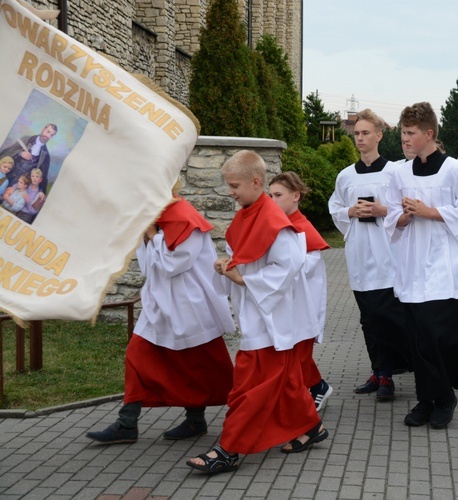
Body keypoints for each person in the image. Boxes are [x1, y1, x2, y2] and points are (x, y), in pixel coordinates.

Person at [188, 151, 327, 475]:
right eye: (228, 185)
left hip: (273, 321)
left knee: (251, 390)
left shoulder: (274, 220)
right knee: (288, 384)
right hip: (259, 315)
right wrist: (228, 265)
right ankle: (312, 428)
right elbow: (244, 255)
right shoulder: (248, 214)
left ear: (255, 182)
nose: (230, 191)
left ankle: (228, 449)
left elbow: (289, 265)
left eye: (234, 185)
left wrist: (244, 276)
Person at [384, 102, 458, 429]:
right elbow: (392, 215)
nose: (404, 139)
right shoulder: (400, 172)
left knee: (437, 335)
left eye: (410, 133)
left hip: (445, 263)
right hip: (413, 262)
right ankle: (427, 399)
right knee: (418, 336)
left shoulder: (453, 171)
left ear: (429, 134)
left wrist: (430, 211)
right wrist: (405, 216)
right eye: (403, 133)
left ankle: (445, 395)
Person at [86, 192, 236, 444]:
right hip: (159, 304)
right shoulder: (154, 218)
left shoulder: (186, 219)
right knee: (137, 356)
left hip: (189, 308)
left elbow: (171, 266)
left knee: (196, 367)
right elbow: (148, 267)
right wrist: (149, 235)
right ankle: (126, 424)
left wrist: (153, 234)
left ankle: (196, 419)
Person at [328, 108, 410, 401]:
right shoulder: (346, 175)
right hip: (359, 253)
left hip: (388, 254)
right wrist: (350, 211)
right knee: (367, 319)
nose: (360, 138)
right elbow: (335, 207)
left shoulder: (395, 172)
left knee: (386, 316)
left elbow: (407, 208)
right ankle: (378, 371)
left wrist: (381, 210)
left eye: (366, 133)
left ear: (379, 135)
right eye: (357, 133)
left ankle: (389, 373)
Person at [269, 171, 334, 412]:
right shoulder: (278, 223)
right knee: (290, 351)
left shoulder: (302, 227)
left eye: (278, 195)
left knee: (300, 351)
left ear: (295, 196)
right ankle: (313, 388)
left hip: (303, 302)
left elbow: (306, 267)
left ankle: (311, 392)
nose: (272, 200)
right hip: (286, 299)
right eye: (270, 195)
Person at [1, 123, 57, 194]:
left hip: (18, 185)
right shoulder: (26, 139)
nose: (48, 136)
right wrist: (20, 153)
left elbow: (43, 176)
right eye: (48, 132)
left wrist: (41, 191)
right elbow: (9, 151)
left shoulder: (45, 155)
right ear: (43, 129)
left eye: (52, 135)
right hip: (6, 174)